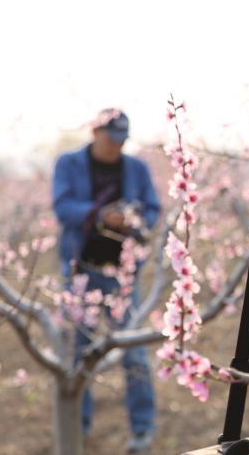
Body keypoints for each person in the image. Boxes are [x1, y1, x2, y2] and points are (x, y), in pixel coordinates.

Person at [52, 108, 161, 453]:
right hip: (81, 270)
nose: (116, 146)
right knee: (79, 357)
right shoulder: (69, 164)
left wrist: (132, 220)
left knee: (134, 355)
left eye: (122, 140)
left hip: (123, 277)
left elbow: (153, 209)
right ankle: (78, 429)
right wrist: (99, 215)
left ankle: (142, 432)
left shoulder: (136, 168)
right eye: (111, 138)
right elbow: (62, 206)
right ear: (95, 132)